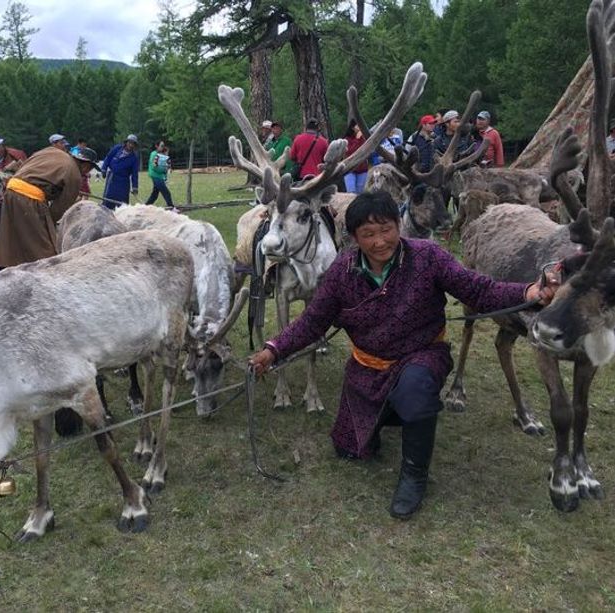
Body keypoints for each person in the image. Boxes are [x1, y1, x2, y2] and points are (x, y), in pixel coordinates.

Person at [248, 191, 558, 519]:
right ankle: (390, 414)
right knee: (349, 448)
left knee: (415, 389)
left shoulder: (428, 257)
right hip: (369, 366)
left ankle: (413, 476)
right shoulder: (342, 271)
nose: (379, 241)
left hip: (421, 355)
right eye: (368, 234)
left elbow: (478, 289)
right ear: (353, 238)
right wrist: (273, 349)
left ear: (399, 225)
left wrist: (529, 292)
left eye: (386, 230)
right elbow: (313, 321)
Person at [0, 144, 81, 269]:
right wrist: (49, 220)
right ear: (85, 164)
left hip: (11, 190)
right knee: (44, 247)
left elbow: (28, 166)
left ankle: (5, 268)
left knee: (10, 238)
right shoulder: (75, 174)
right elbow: (61, 206)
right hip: (28, 199)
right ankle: (48, 272)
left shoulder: (51, 151)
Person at [101, 134, 139, 209]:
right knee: (108, 199)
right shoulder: (117, 148)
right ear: (126, 142)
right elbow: (108, 157)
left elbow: (135, 174)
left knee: (122, 203)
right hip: (112, 178)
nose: (130, 145)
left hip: (123, 182)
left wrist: (135, 187)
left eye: (133, 143)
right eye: (129, 142)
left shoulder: (134, 158)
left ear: (134, 145)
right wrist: (104, 169)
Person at [342, 119, 368, 194]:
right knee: (351, 192)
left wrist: (361, 139)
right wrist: (357, 139)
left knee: (359, 193)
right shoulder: (347, 139)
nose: (360, 127)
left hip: (362, 169)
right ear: (352, 128)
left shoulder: (363, 138)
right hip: (349, 169)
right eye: (358, 126)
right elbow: (350, 151)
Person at [146, 140, 174, 208]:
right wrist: (163, 170)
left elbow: (164, 165)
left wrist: (167, 169)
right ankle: (171, 207)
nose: (162, 147)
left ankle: (146, 206)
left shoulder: (161, 155)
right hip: (156, 176)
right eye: (161, 146)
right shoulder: (154, 154)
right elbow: (154, 166)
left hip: (159, 176)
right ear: (156, 146)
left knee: (154, 194)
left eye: (163, 146)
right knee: (166, 192)